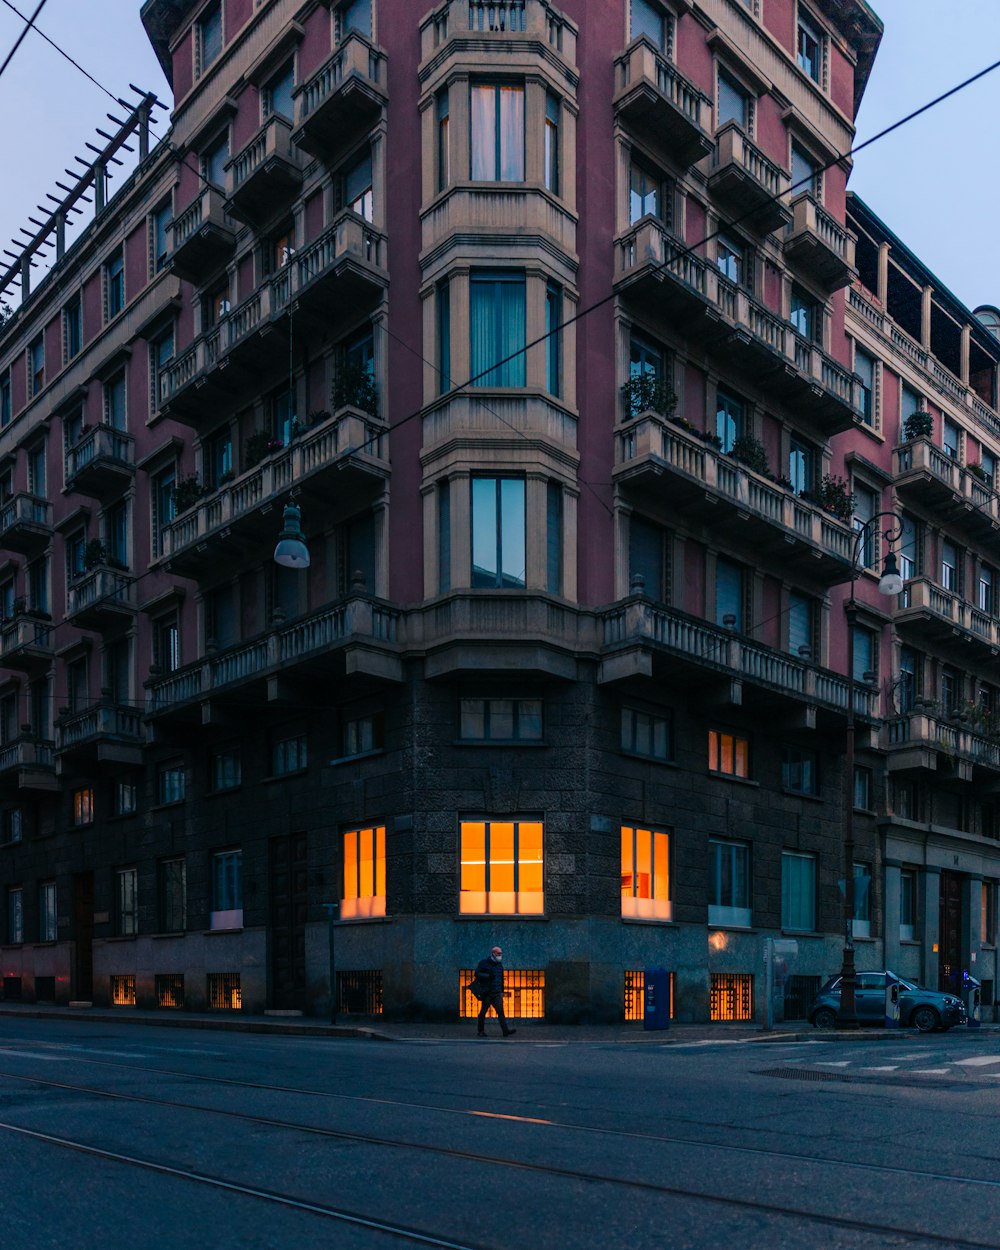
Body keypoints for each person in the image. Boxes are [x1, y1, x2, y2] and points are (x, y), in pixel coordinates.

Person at [474, 945, 516, 1037]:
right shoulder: (484, 963)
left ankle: (505, 1031)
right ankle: (480, 1031)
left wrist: (501, 991)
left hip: (496, 992)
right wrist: (488, 976)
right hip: (487, 992)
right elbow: (477, 973)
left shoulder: (499, 965)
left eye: (501, 954)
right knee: (483, 1012)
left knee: (500, 1012)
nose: (500, 955)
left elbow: (501, 979)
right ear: (493, 953)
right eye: (498, 953)